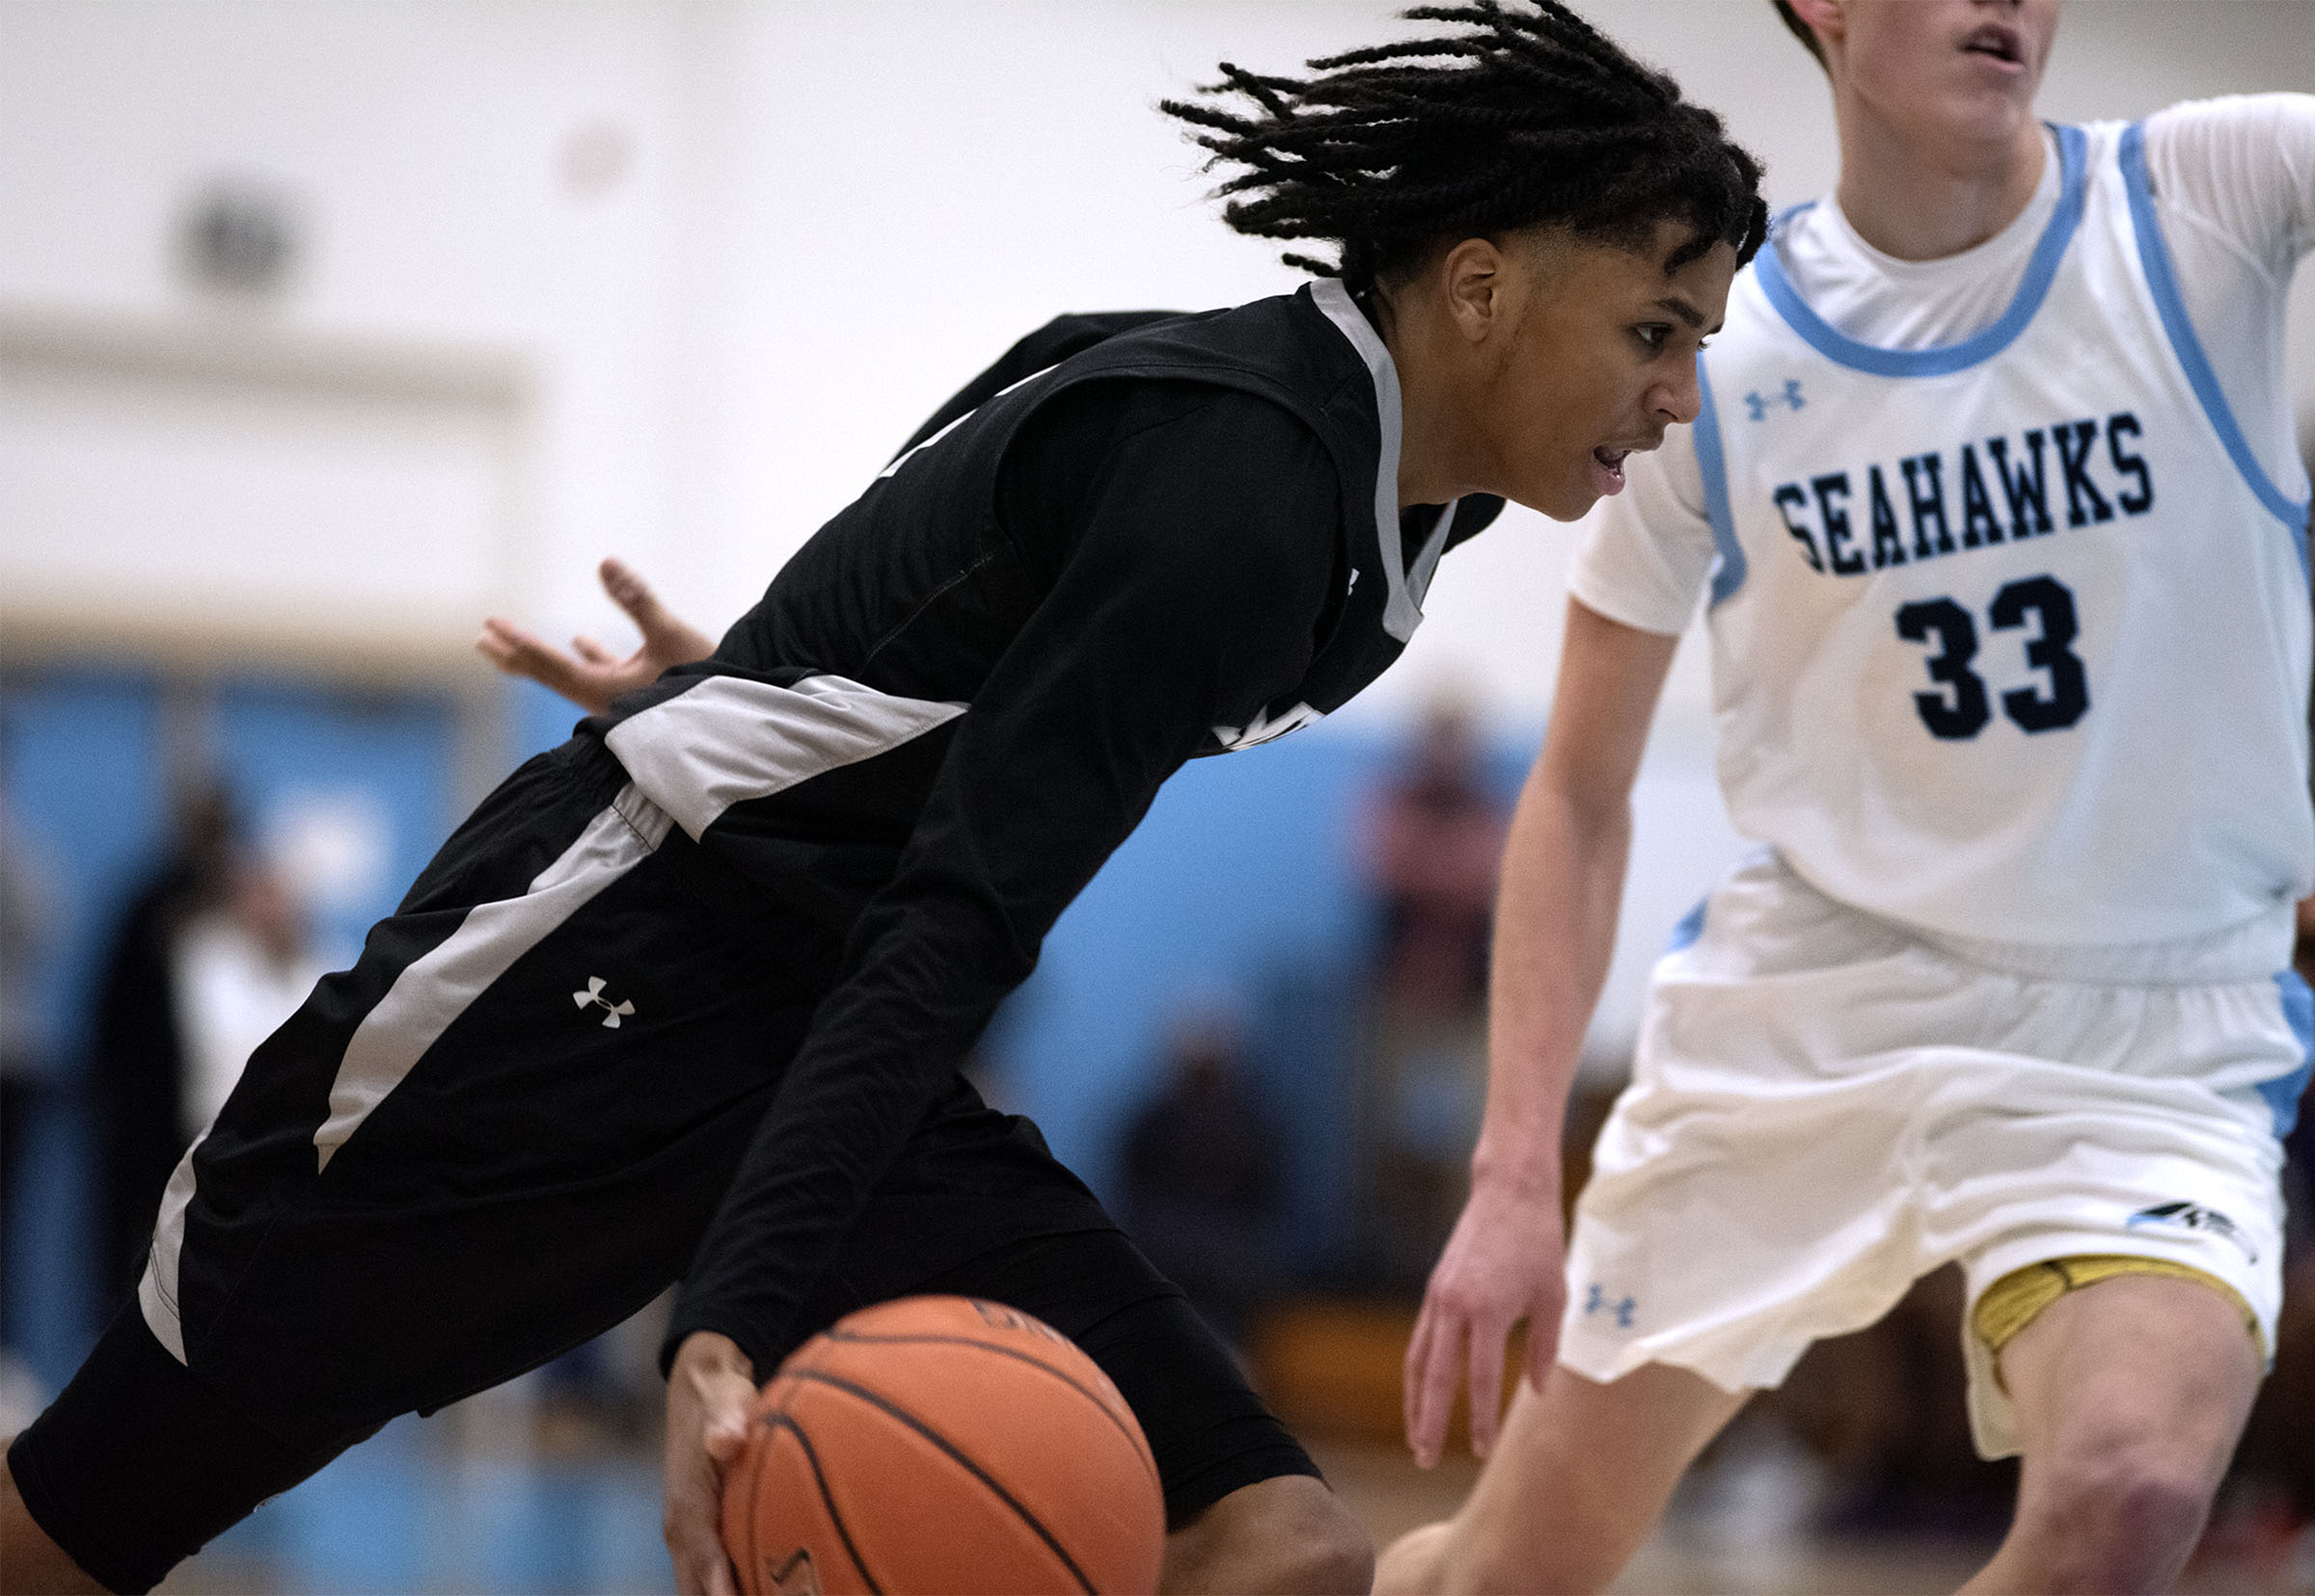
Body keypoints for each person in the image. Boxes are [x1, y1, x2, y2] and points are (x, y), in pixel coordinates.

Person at [0, 6, 1765, 1592]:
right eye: (1653, 329)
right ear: (1480, 287)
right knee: (88, 1521)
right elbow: (958, 909)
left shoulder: (1404, 497)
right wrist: (729, 1314)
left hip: (835, 1017)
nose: (1680, 396)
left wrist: (761, 689)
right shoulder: (1239, 486)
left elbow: (962, 594)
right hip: (597, 979)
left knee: (1280, 1544)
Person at [1380, 1, 2313, 1591]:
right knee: (1505, 1573)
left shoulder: (2203, 199)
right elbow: (1582, 794)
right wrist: (1514, 1177)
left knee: (2132, 1490)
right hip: (1805, 1016)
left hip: (2146, 1032)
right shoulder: (1712, 353)